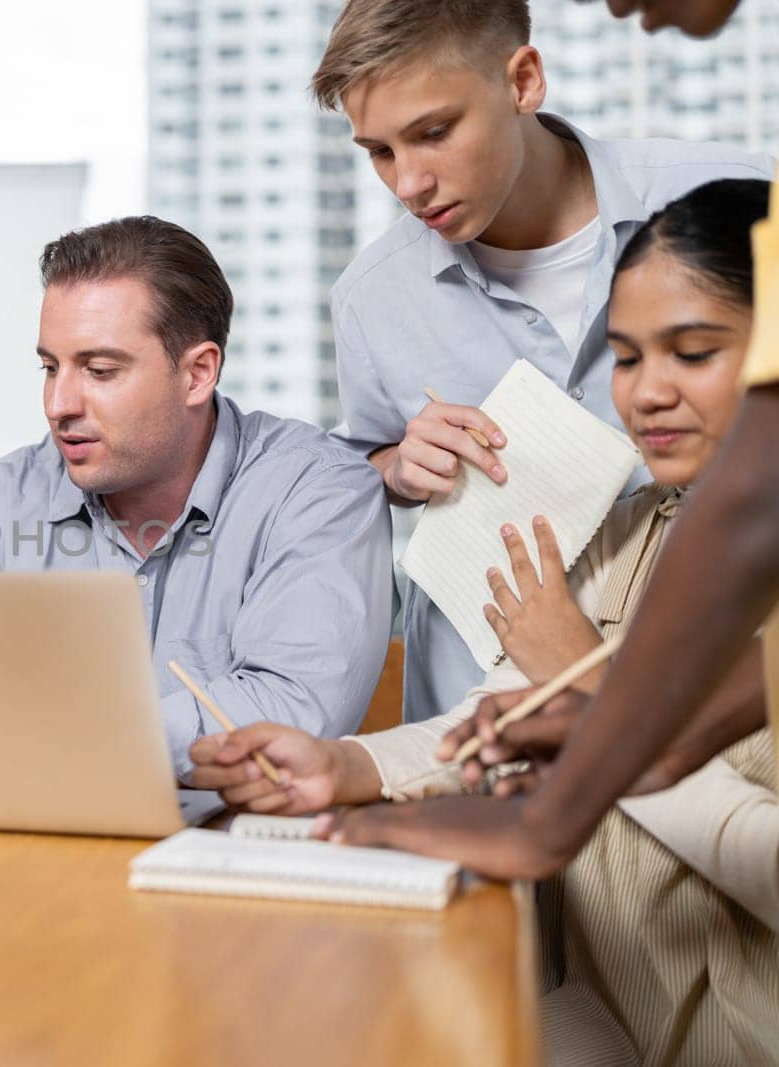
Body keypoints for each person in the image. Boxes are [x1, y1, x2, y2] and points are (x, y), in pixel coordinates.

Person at [196, 180, 778, 1063]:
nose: (647, 393)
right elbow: (495, 719)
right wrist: (342, 766)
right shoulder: (628, 531)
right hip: (607, 1021)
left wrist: (584, 675)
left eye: (692, 352)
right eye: (625, 357)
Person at [318, 0, 779, 883]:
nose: (407, 183)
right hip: (483, 737)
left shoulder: (734, 203)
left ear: (523, 81)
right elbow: (357, 472)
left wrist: (591, 682)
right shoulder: (373, 299)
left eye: (433, 133)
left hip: (697, 744)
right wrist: (396, 467)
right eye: (378, 153)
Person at [0, 216, 392, 776]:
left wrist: (52, 739)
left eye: (99, 370)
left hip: (234, 849)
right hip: (30, 841)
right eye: (50, 367)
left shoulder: (319, 494)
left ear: (198, 374)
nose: (58, 404)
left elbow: (291, 714)